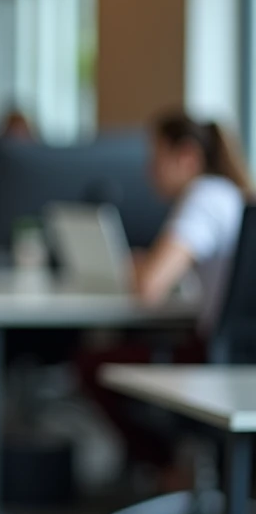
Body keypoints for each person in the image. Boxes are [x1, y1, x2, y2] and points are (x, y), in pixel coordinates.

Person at [78, 111, 251, 477]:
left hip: (217, 358)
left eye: (155, 158)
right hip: (240, 356)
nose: (148, 171)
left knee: (94, 365)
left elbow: (149, 287)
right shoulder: (229, 196)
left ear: (186, 157)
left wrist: (141, 267)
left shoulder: (204, 197)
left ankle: (169, 471)